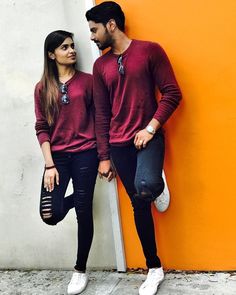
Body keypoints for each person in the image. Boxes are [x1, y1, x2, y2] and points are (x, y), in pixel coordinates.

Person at [85, 2, 182, 295]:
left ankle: (154, 181)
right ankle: (154, 268)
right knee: (139, 203)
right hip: (118, 144)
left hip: (149, 137)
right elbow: (101, 114)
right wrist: (104, 157)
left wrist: (150, 127)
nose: (91, 36)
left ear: (111, 25)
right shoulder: (100, 65)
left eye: (94, 29)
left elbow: (172, 93)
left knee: (145, 186)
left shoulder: (150, 50)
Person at [34, 30, 98, 295]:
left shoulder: (89, 82)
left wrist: (105, 156)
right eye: (64, 47)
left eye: (72, 46)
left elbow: (101, 118)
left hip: (86, 152)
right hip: (57, 157)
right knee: (50, 214)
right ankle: (81, 197)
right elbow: (41, 127)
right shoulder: (42, 88)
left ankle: (79, 271)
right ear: (52, 54)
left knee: (84, 213)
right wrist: (50, 165)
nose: (72, 50)